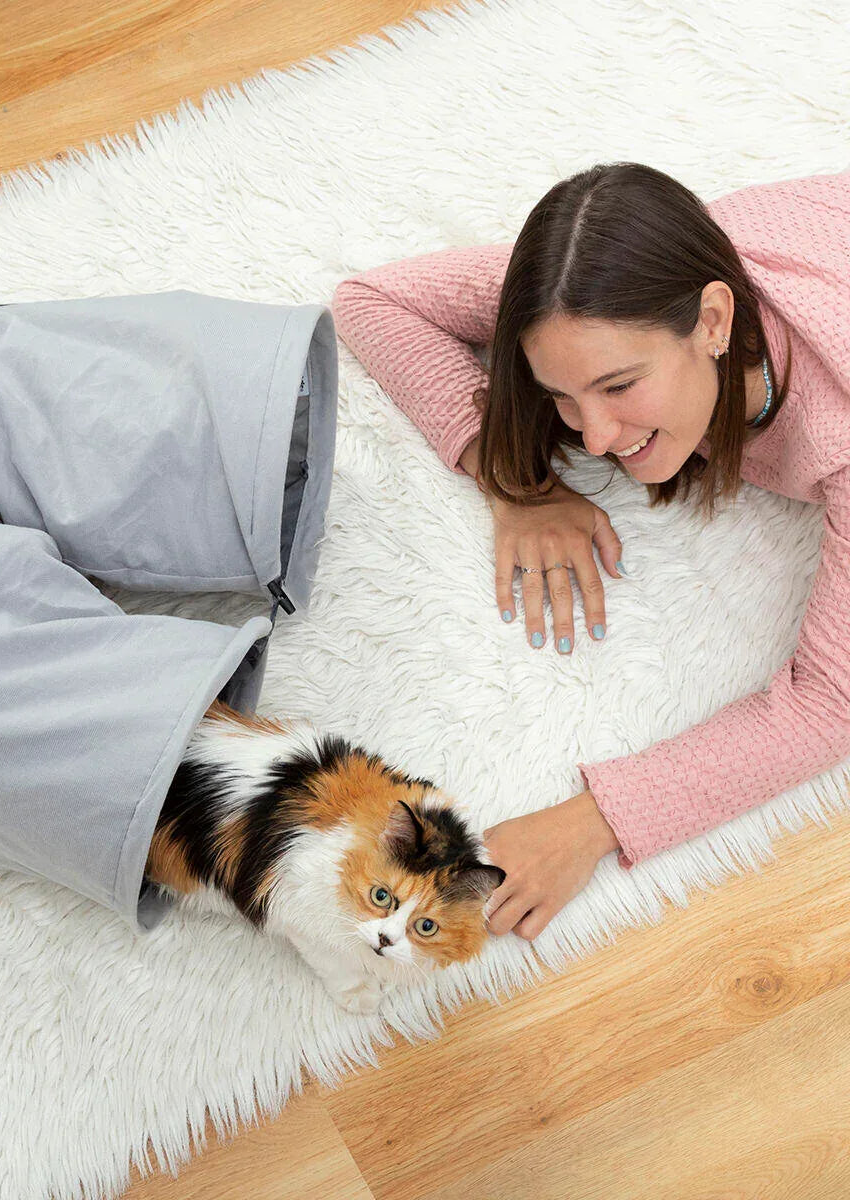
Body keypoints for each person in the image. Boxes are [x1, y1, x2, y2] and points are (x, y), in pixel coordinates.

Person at [331, 162, 850, 943]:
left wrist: (592, 822)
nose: (596, 438)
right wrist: (515, 483)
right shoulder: (632, 277)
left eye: (618, 386)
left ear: (714, 322)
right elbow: (371, 302)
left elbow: (830, 705)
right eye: (562, 398)